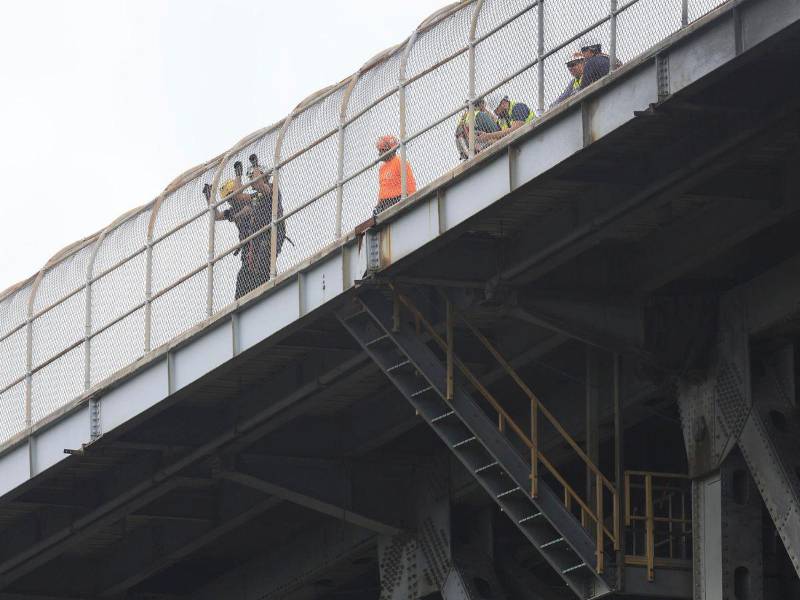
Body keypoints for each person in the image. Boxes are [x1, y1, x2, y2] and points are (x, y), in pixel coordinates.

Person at [375, 135, 416, 214]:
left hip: (397, 198)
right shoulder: (382, 168)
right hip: (384, 203)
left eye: (382, 150)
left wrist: (412, 199)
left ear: (390, 149)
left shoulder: (399, 161)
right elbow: (382, 188)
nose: (379, 153)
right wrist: (378, 204)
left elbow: (410, 182)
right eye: (379, 150)